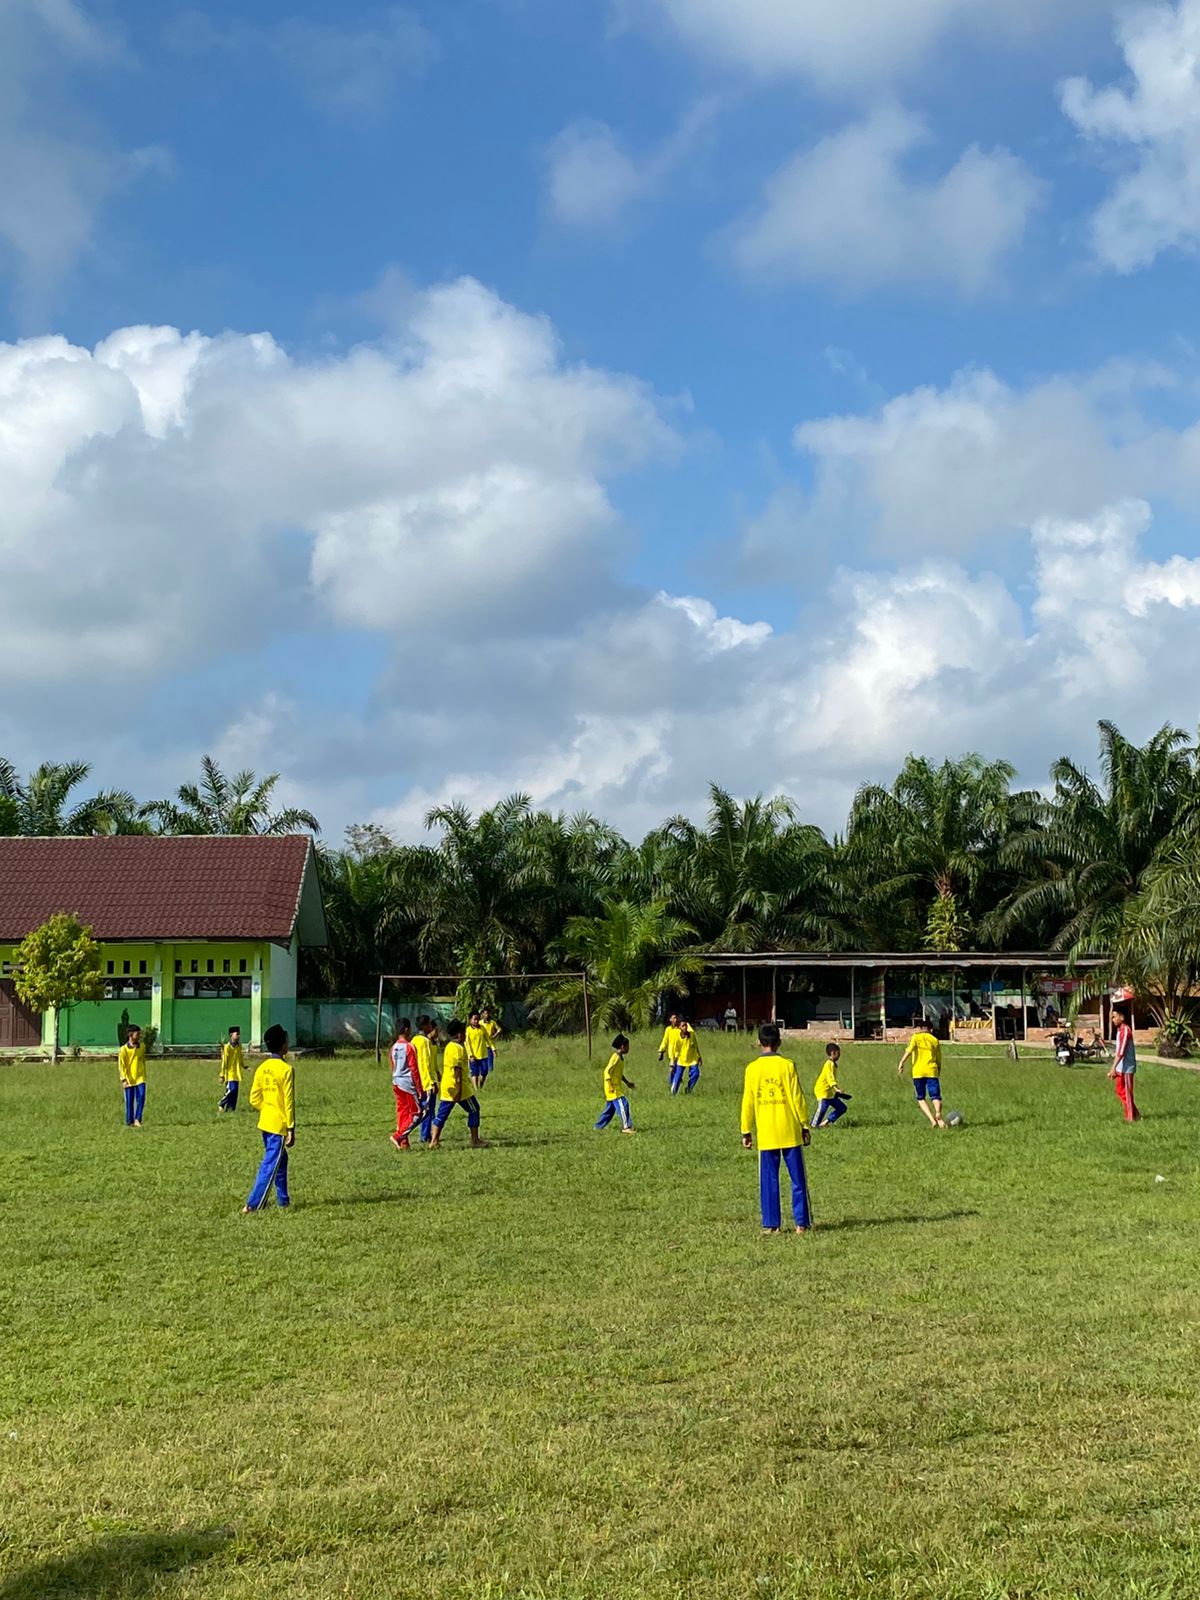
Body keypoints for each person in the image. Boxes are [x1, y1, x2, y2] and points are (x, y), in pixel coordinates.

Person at [740, 1023, 812, 1234]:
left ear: (759, 1043)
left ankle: (772, 1225)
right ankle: (801, 1223)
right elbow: (797, 1098)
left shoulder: (752, 1069)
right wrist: (805, 1124)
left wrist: (746, 1129)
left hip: (766, 1133)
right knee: (798, 1178)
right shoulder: (787, 1065)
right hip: (790, 1130)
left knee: (769, 1180)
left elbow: (748, 1101)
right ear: (779, 1042)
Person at [243, 1023, 295, 1213]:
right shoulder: (286, 1070)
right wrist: (291, 1128)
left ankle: (283, 1200)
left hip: (265, 1122)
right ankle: (253, 1204)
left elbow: (254, 1098)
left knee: (281, 1160)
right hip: (279, 1125)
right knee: (270, 1164)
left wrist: (267, 1108)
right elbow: (289, 1102)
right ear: (283, 1046)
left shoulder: (262, 1068)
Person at [429, 1019, 487, 1149]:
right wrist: (459, 1089)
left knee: (442, 1114)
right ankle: (475, 1140)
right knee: (474, 1109)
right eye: (464, 1033)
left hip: (447, 1086)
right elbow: (457, 1070)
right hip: (458, 1087)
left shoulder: (449, 1046)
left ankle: (434, 1141)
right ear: (460, 1035)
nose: (466, 1035)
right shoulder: (458, 1049)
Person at [898, 1023, 945, 1128]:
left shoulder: (916, 1037)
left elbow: (909, 1050)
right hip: (932, 1071)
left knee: (920, 1097)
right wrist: (938, 1071)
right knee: (935, 1096)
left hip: (918, 1072)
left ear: (920, 1028)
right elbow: (938, 1059)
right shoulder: (934, 1040)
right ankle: (938, 1112)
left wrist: (902, 1062)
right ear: (930, 1029)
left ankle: (932, 1120)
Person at [390, 1017, 423, 1150]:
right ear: (407, 1029)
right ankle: (398, 1136)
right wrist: (419, 1089)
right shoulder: (410, 1047)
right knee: (417, 1113)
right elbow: (414, 1069)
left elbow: (393, 1065)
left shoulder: (393, 1047)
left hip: (396, 1082)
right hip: (407, 1084)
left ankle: (404, 1144)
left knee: (403, 1112)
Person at [594, 1034, 636, 1133]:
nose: (629, 1048)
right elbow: (606, 1071)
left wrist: (627, 1083)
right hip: (613, 1089)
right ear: (623, 1046)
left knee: (610, 1110)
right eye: (628, 1046)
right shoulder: (615, 1057)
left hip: (615, 1088)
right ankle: (626, 1127)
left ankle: (598, 1127)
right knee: (624, 1104)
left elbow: (619, 1074)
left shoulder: (620, 1058)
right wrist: (610, 1085)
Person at [1108, 1007, 1140, 1122]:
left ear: (1122, 1017)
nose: (1113, 1019)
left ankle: (1131, 1117)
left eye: (1114, 1017)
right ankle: (1135, 1114)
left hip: (1127, 1067)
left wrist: (1113, 1068)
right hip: (1121, 1067)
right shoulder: (1120, 1030)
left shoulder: (1126, 1030)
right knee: (1120, 1090)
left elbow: (1121, 1052)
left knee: (1126, 1092)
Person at [812, 1042, 851, 1128]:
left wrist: (836, 1091)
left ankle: (825, 1123)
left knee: (842, 1108)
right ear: (833, 1053)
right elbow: (830, 1077)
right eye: (838, 1053)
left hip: (830, 1094)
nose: (839, 1055)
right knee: (821, 1110)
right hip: (823, 1092)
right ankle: (813, 1126)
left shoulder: (833, 1064)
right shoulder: (829, 1064)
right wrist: (836, 1089)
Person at [413, 1015, 438, 1145]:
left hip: (417, 1081)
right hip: (426, 1082)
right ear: (424, 1026)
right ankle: (425, 1135)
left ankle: (427, 1133)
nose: (430, 1027)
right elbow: (425, 1064)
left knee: (425, 1109)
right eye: (429, 1025)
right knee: (428, 1110)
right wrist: (431, 1082)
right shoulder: (425, 1042)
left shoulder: (414, 1040)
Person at [118, 1024, 147, 1128]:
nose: (139, 1036)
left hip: (140, 1077)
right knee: (129, 1101)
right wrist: (123, 1079)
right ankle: (129, 1121)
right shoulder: (124, 1050)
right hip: (129, 1078)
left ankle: (137, 1119)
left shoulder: (142, 1047)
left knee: (142, 1096)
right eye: (137, 1034)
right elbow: (122, 1065)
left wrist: (144, 1073)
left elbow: (142, 1060)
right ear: (130, 1035)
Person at [671, 1019, 702, 1095]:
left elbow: (696, 1046)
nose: (685, 1027)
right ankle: (673, 1093)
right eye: (683, 1026)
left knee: (696, 1074)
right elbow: (675, 1050)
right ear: (679, 1028)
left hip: (692, 1059)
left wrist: (699, 1056)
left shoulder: (692, 1035)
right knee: (677, 1078)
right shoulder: (677, 1037)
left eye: (686, 1026)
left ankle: (689, 1088)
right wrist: (673, 1062)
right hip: (681, 1060)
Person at [217, 1025, 243, 1113]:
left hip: (237, 1073)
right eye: (237, 1034)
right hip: (229, 1073)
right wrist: (222, 1074)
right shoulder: (227, 1047)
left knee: (235, 1093)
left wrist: (244, 1066)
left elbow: (240, 1058)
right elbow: (224, 1062)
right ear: (231, 1035)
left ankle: (230, 1109)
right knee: (231, 1090)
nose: (238, 1036)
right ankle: (221, 1103)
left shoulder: (239, 1046)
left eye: (239, 1034)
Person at [466, 1010, 490, 1092]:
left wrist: (493, 1048)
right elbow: (467, 1044)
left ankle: (481, 1086)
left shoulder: (482, 1028)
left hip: (483, 1055)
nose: (476, 1021)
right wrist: (470, 1055)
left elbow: (488, 1039)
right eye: (474, 1019)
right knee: (474, 1073)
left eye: (477, 1019)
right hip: (473, 1056)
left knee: (485, 1072)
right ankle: (476, 1089)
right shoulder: (468, 1030)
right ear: (470, 1020)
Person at [657, 1011, 681, 1086]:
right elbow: (665, 1041)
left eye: (676, 1018)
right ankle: (673, 1084)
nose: (675, 1020)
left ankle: (673, 1085)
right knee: (673, 1070)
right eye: (673, 1018)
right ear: (670, 1019)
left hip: (679, 1054)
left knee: (674, 1070)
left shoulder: (680, 1029)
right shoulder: (668, 1030)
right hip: (672, 1054)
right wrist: (661, 1050)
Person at [481, 1006, 502, 1078]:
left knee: (490, 1063)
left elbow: (499, 1029)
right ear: (483, 1014)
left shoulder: (492, 1023)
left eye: (488, 1013)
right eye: (485, 1013)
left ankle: (491, 1076)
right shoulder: (480, 1023)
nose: (487, 1015)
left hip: (490, 1046)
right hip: (482, 1046)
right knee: (482, 1062)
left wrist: (495, 1035)